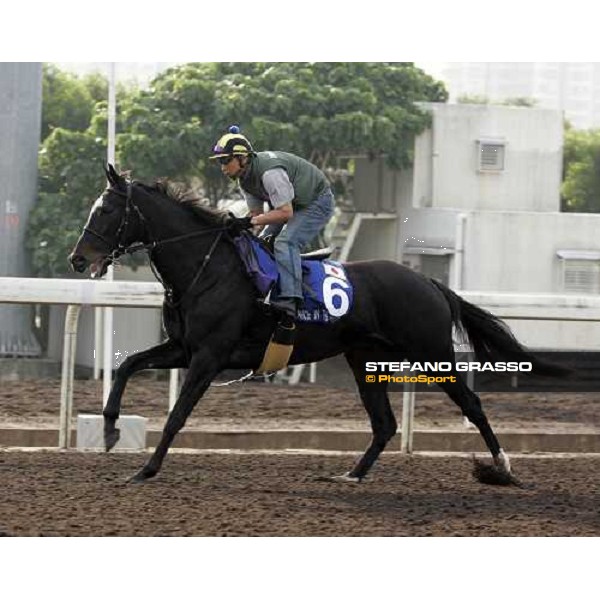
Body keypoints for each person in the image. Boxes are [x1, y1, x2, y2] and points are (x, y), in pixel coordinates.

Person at [210, 126, 335, 319]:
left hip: (316, 203)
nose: (223, 167)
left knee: (285, 242)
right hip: (291, 204)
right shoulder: (244, 179)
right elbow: (256, 215)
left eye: (226, 161)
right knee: (261, 242)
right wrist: (241, 225)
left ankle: (291, 299)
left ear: (243, 158)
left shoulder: (270, 173)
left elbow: (285, 213)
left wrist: (250, 220)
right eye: (220, 162)